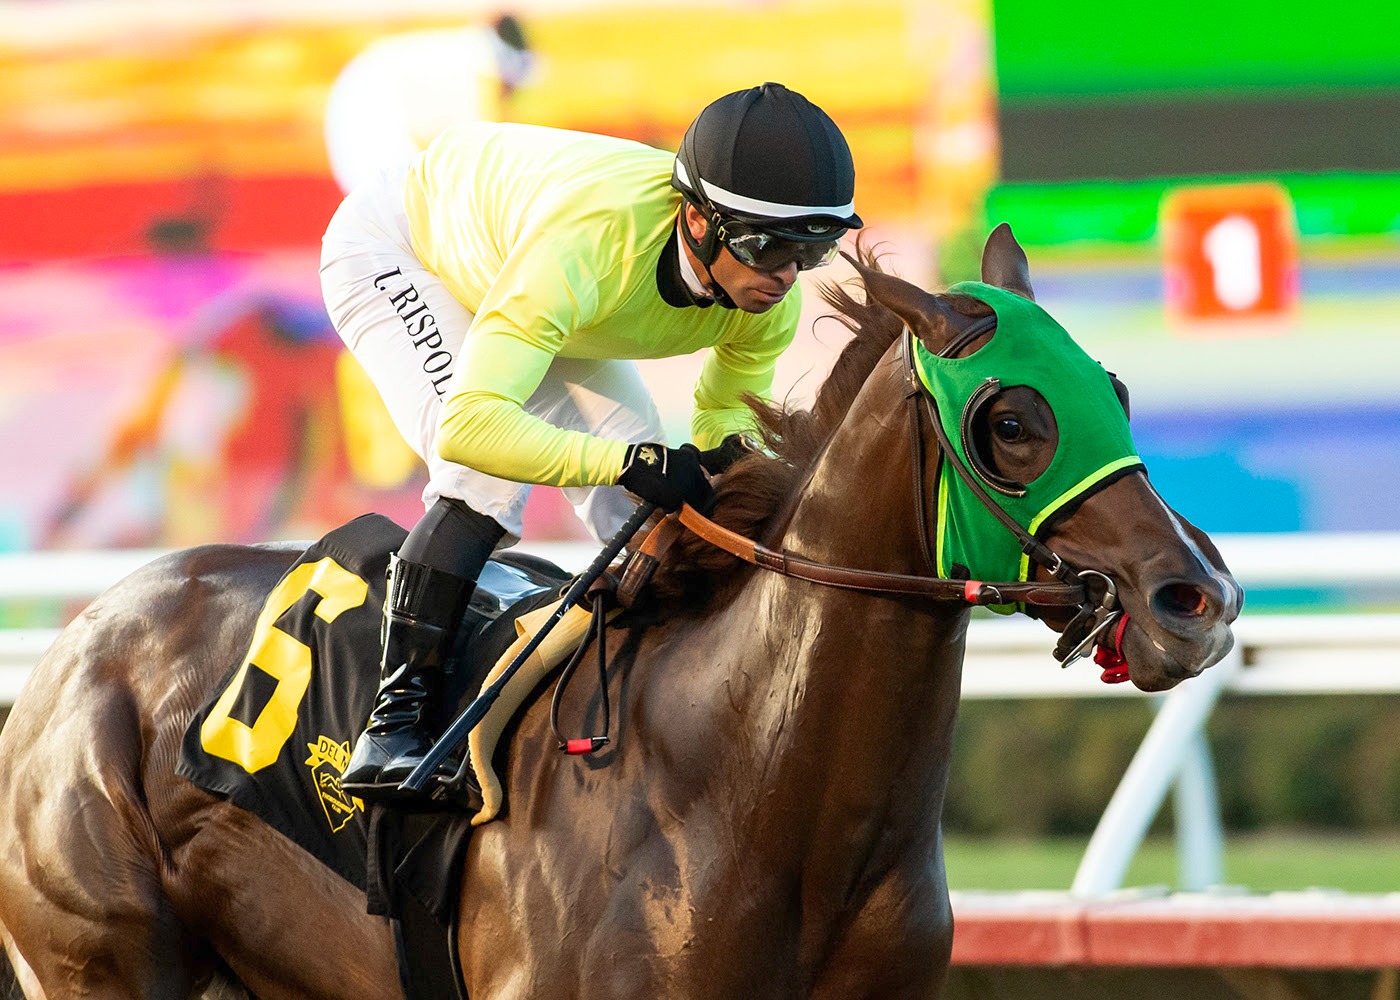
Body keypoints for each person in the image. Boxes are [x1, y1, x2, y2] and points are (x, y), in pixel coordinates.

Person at [320, 81, 862, 800]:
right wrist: (629, 462)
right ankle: (393, 726)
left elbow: (720, 423)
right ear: (697, 222)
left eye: (810, 251)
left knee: (657, 519)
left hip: (533, 279)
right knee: (485, 483)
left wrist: (725, 464)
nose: (785, 276)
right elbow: (472, 425)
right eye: (767, 247)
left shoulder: (766, 302)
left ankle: (667, 716)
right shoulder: (596, 245)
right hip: (401, 249)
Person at [323, 13, 536, 195]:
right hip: (369, 117)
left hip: (359, 106)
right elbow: (479, 157)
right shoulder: (480, 70)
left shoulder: (465, 52)